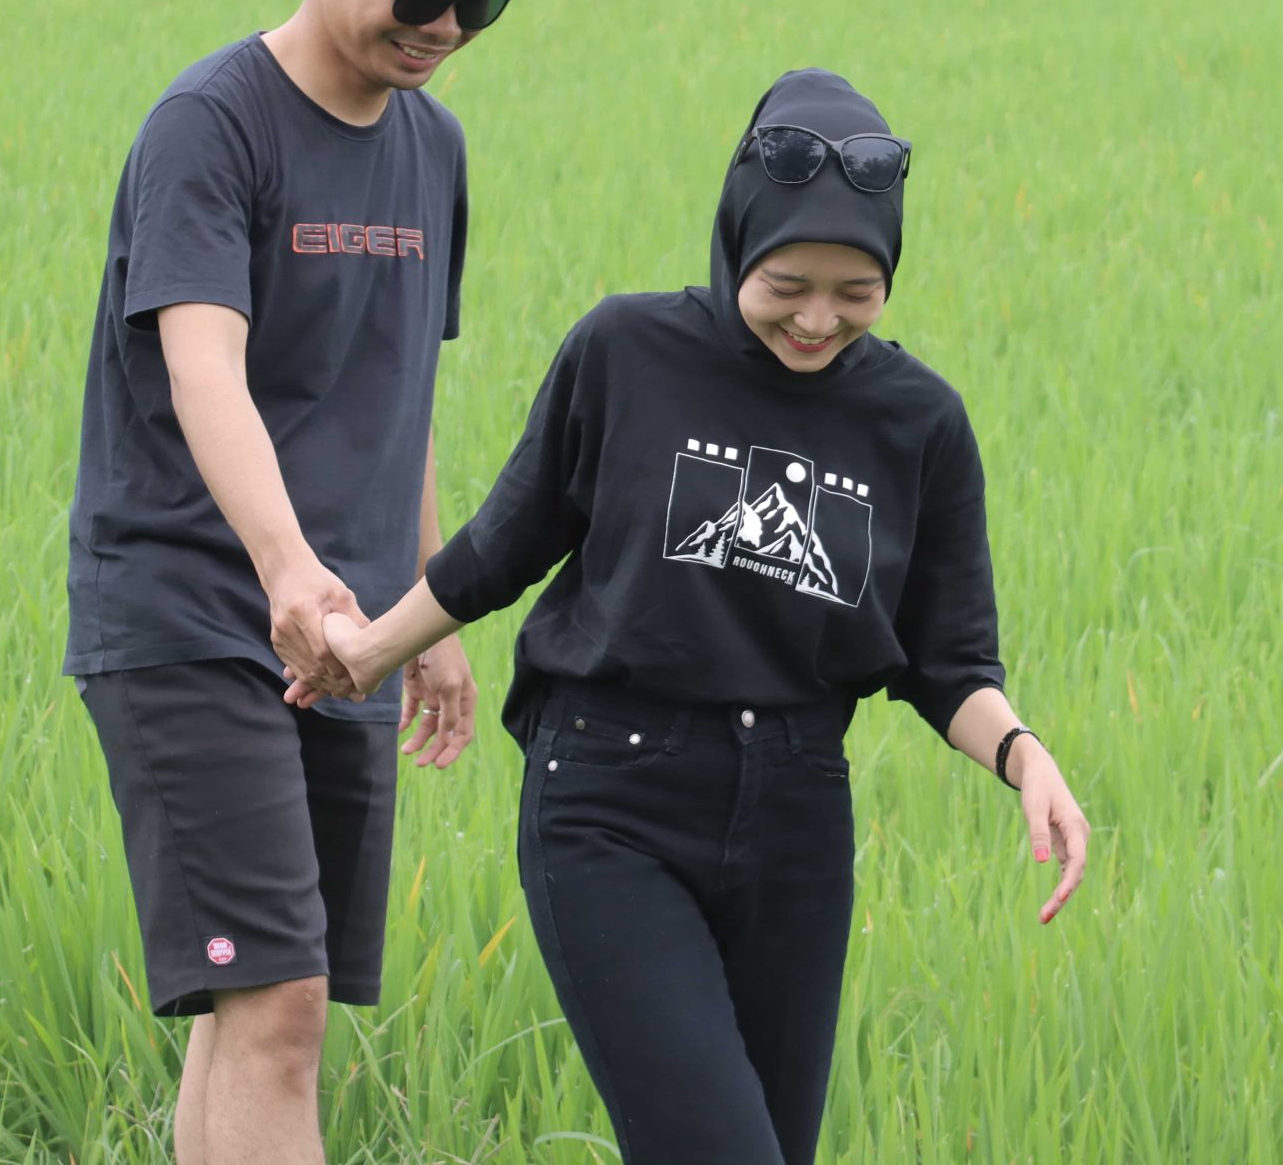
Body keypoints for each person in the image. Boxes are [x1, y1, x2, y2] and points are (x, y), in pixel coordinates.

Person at [287, 69, 1089, 1165]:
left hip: (799, 820)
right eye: (787, 284)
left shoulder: (919, 422)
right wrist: (373, 652)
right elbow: (507, 542)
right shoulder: (628, 353)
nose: (817, 319)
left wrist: (1024, 754)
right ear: (738, 239)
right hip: (611, 800)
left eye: (857, 293)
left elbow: (947, 662)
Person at [64, 0, 540, 1165]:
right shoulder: (211, 127)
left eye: (479, 2)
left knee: (260, 1003)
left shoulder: (433, 149)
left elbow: (400, 389)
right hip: (194, 613)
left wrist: (425, 606)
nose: (444, 25)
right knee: (276, 1004)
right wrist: (285, 569)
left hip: (347, 629)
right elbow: (202, 364)